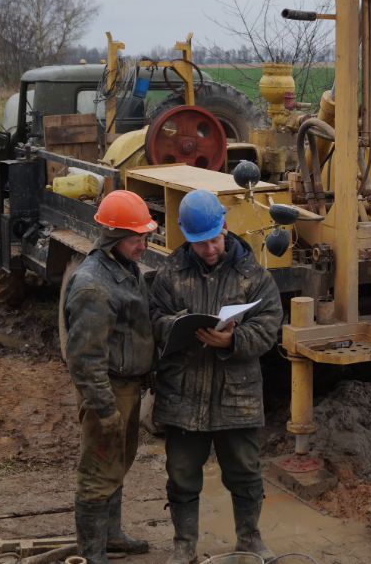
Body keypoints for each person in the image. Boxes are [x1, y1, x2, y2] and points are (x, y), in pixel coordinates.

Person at [150, 189, 283, 564]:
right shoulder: (170, 273)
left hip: (235, 395)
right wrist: (175, 324)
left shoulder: (254, 276)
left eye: (213, 239)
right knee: (181, 473)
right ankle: (184, 546)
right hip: (183, 392)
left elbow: (269, 327)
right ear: (185, 237)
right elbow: (154, 318)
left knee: (244, 470)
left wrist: (233, 339)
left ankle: (250, 540)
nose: (208, 249)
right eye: (199, 243)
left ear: (224, 226)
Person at [63, 190, 158, 564]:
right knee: (98, 468)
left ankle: (112, 535)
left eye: (145, 237)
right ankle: (92, 553)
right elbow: (85, 359)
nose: (143, 245)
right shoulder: (93, 286)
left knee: (119, 461)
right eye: (137, 239)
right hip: (108, 389)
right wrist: (104, 410)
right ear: (115, 238)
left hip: (127, 386)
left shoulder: (123, 268)